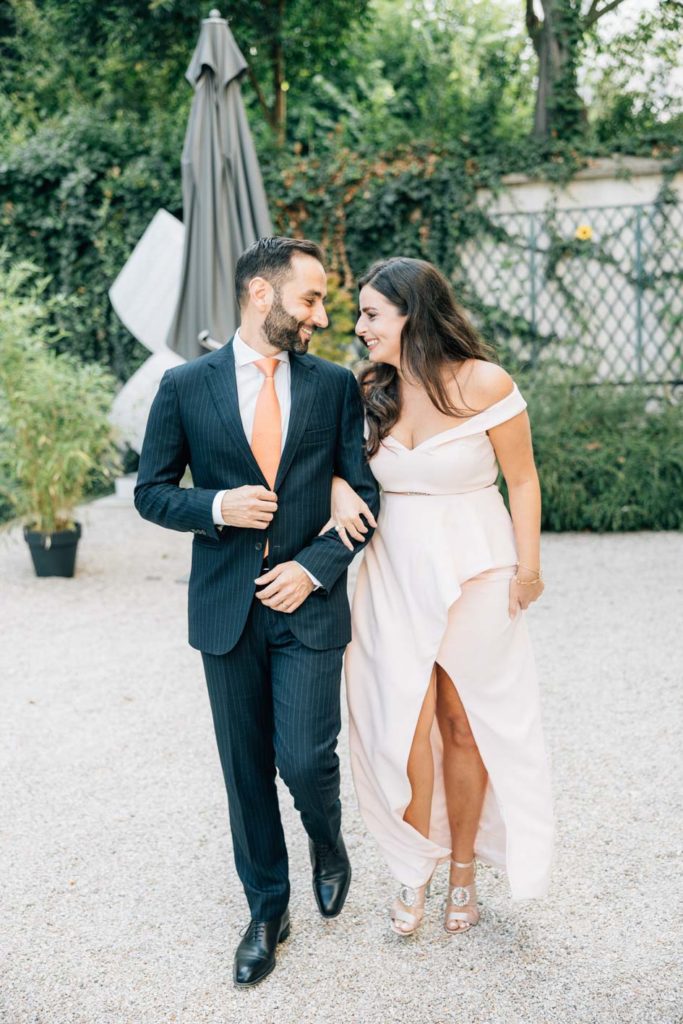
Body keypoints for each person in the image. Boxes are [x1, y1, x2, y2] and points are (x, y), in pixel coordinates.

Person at [134, 236, 380, 986]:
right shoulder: (184, 386)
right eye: (310, 299)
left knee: (305, 760)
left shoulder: (335, 384)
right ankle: (267, 909)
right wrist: (215, 504)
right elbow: (150, 490)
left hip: (306, 607)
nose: (321, 314)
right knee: (245, 771)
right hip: (225, 608)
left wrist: (312, 569)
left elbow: (363, 493)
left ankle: (327, 838)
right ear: (261, 294)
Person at [333, 257, 554, 936]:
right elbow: (333, 469)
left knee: (465, 721)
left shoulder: (485, 382)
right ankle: (411, 867)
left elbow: (521, 480)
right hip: (391, 571)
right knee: (401, 723)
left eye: (372, 313)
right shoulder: (367, 388)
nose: (360, 325)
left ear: (412, 314)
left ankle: (463, 868)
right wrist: (339, 487)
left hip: (478, 569)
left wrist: (527, 569)